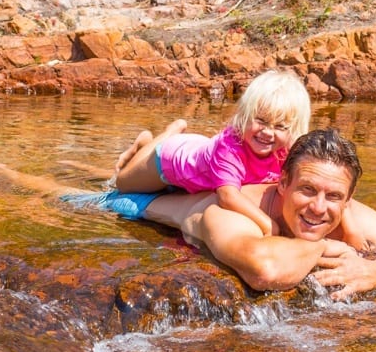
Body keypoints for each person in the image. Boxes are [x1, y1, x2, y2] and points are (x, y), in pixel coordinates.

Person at [0, 129, 376, 300]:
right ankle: (4, 171)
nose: (320, 208)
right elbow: (265, 269)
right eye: (307, 191)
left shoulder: (345, 209)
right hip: (149, 207)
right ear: (281, 184)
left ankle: (135, 150)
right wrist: (326, 247)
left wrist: (374, 270)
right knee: (78, 194)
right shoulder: (233, 215)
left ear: (349, 196)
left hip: (195, 180)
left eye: (334, 197)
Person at [113, 69, 311, 238]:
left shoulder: (286, 152)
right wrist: (269, 225)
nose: (268, 132)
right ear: (244, 115)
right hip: (169, 160)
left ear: (292, 130)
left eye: (280, 126)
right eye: (260, 120)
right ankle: (158, 137)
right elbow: (227, 196)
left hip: (202, 155)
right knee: (122, 184)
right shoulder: (231, 148)